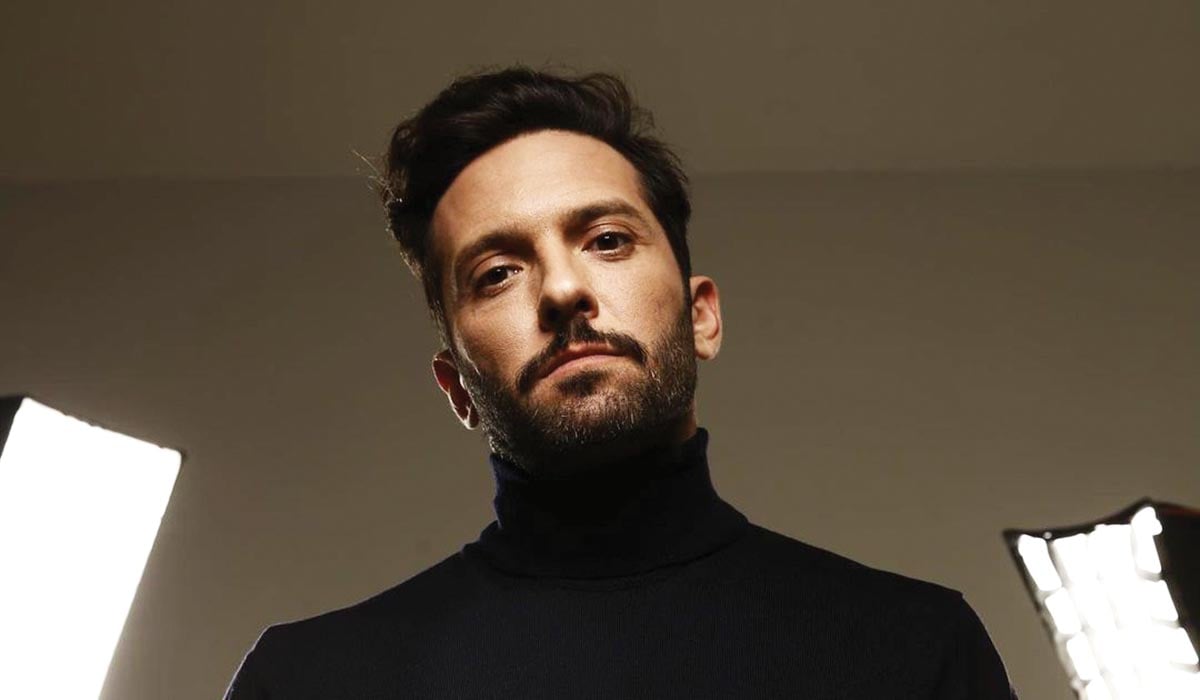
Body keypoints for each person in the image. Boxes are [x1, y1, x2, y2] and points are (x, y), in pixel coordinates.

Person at [224, 67, 1018, 699]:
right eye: (497, 272)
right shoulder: (305, 683)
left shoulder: (919, 651)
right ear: (456, 387)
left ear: (701, 316)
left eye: (606, 240)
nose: (564, 290)